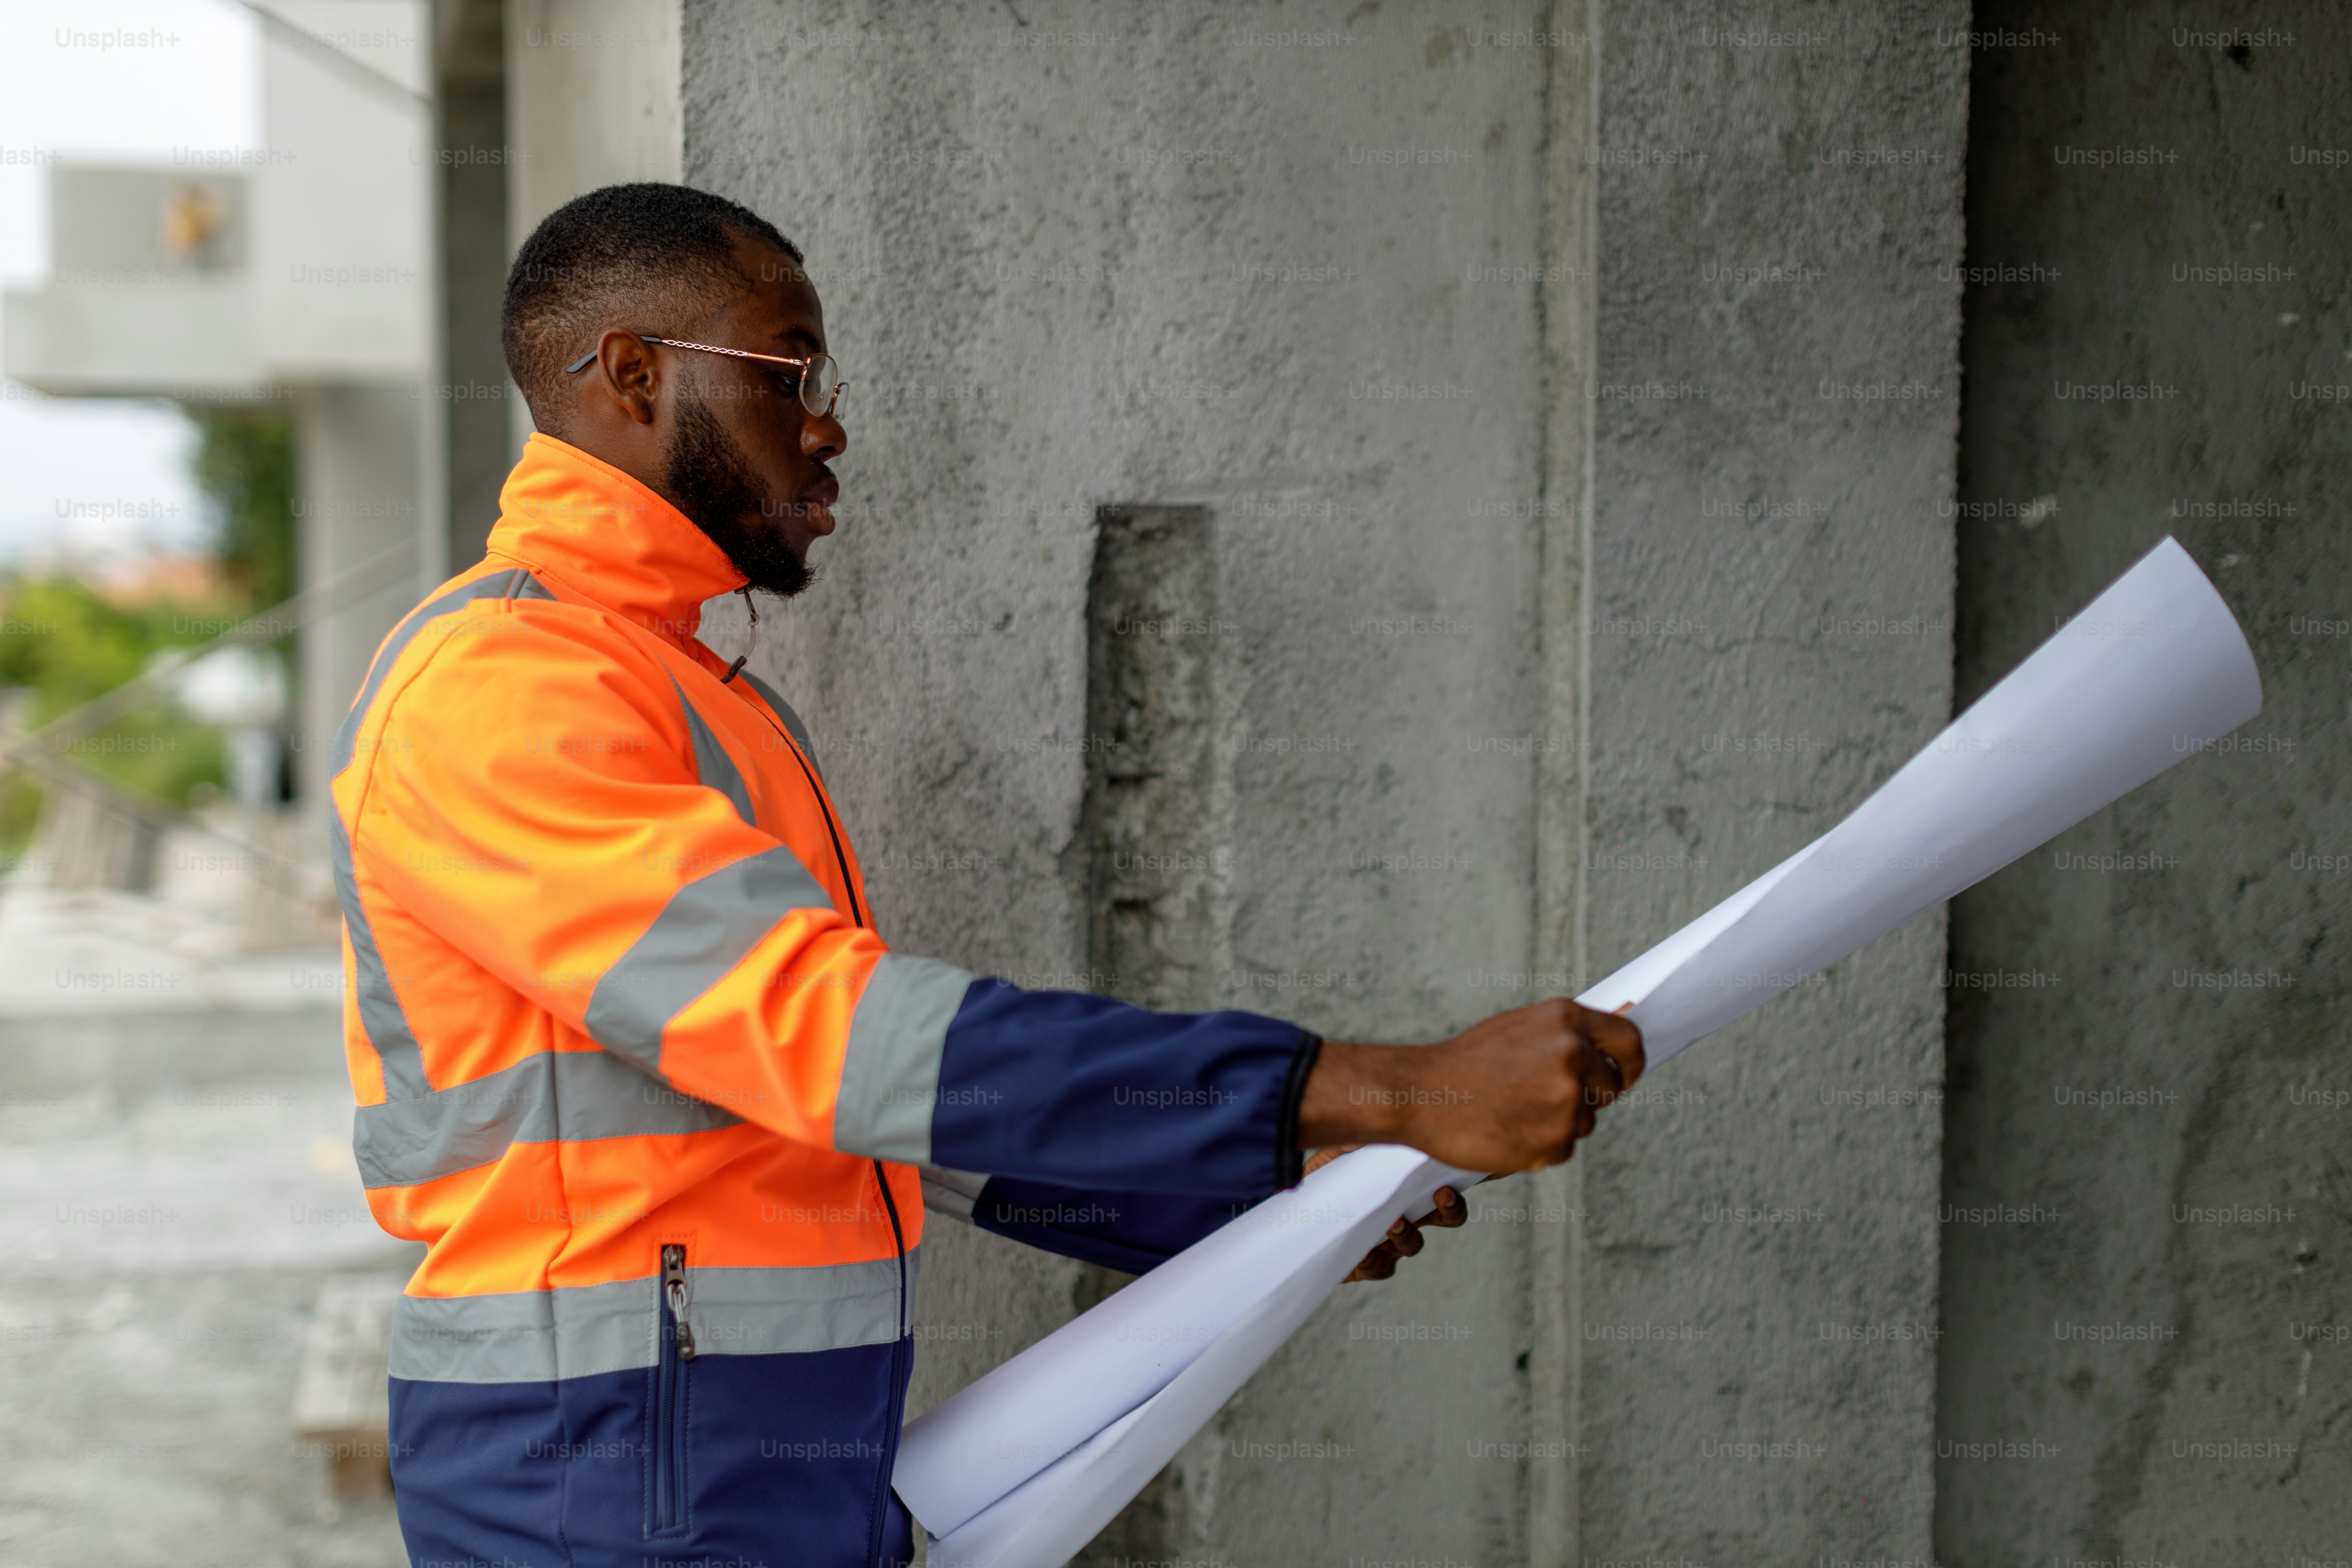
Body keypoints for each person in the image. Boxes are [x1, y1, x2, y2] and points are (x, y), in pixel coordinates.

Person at [331, 182, 1643, 1568]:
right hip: (601, 1489)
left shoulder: (675, 684)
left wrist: (1240, 1192)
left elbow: (854, 1115)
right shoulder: (499, 689)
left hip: (714, 1473)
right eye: (791, 370)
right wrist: (1393, 1086)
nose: (829, 424)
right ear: (634, 376)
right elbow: (838, 1040)